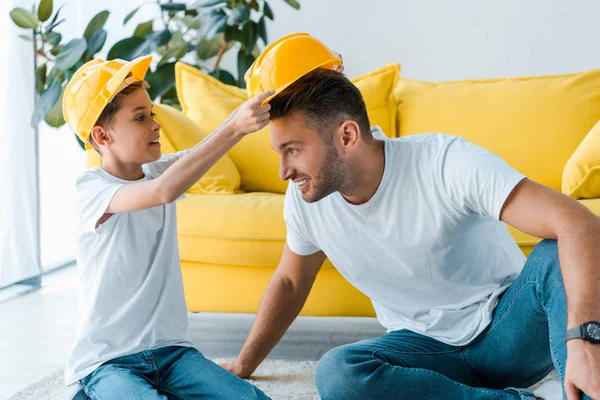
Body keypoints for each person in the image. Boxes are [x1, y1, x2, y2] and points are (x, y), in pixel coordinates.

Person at [223, 36, 600, 400]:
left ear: (348, 136)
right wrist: (242, 363)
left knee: (555, 253)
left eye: (292, 150)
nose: (284, 171)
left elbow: (579, 224)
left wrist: (585, 339)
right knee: (338, 372)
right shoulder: (305, 199)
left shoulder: (445, 163)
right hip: (423, 352)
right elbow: (290, 281)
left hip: (506, 332)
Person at [62, 55, 273, 400]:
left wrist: (250, 112)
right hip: (107, 363)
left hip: (172, 354)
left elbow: (203, 151)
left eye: (152, 114)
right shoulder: (90, 189)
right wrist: (234, 126)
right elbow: (163, 192)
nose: (155, 125)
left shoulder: (160, 170)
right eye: (140, 118)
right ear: (102, 135)